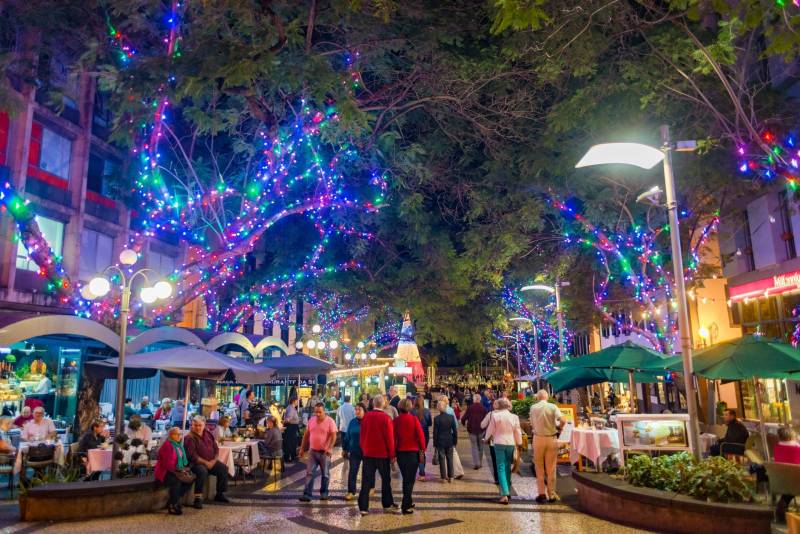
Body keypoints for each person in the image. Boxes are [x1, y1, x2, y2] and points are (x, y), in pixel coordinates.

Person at [358, 394, 398, 515]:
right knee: (386, 480)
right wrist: (392, 456)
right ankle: (387, 504)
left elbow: (362, 435)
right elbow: (389, 439)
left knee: (366, 481)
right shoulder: (386, 418)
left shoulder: (366, 417)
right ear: (383, 404)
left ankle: (363, 507)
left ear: (373, 404)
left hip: (368, 454)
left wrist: (364, 449)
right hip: (382, 455)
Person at [183, 416, 230, 508]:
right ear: (192, 425)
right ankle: (198, 498)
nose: (198, 427)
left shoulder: (208, 434)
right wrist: (206, 463)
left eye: (200, 425)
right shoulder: (189, 437)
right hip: (195, 463)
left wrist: (214, 460)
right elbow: (192, 456)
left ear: (204, 425)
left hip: (210, 461)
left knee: (224, 469)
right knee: (202, 471)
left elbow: (216, 449)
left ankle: (220, 494)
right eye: (195, 425)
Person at [530, 389, 566, 503]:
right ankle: (551, 494)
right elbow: (564, 420)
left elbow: (531, 422)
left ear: (538, 397)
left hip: (538, 438)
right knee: (551, 468)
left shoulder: (533, 408)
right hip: (551, 438)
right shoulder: (553, 407)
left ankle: (541, 493)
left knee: (539, 467)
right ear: (547, 397)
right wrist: (559, 427)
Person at [485, 397, 522, 505]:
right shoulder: (514, 417)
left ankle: (504, 493)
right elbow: (518, 431)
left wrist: (486, 439)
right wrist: (519, 443)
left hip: (499, 442)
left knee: (500, 467)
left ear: (499, 406)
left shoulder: (496, 416)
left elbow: (490, 430)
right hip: (510, 443)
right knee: (507, 467)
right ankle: (507, 489)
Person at [298, 403, 337, 502]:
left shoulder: (330, 421)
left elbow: (334, 436)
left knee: (325, 474)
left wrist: (329, 448)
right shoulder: (311, 421)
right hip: (313, 451)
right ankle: (307, 495)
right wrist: (302, 448)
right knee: (309, 473)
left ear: (324, 411)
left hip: (325, 453)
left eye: (320, 412)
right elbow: (306, 436)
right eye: (316, 412)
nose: (318, 414)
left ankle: (324, 494)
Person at [394, 398, 425, 514]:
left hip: (401, 453)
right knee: (409, 480)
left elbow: (393, 438)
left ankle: (408, 501)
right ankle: (405, 505)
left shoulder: (396, 421)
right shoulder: (414, 419)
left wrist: (393, 453)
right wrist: (422, 449)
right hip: (413, 453)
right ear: (410, 407)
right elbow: (420, 435)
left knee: (406, 478)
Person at [155, 426, 193, 515]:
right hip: (164, 471)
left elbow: (181, 460)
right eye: (177, 434)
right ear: (171, 435)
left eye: (180, 434)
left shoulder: (178, 446)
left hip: (174, 470)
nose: (180, 436)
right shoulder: (168, 445)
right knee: (177, 481)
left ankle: (176, 499)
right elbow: (167, 464)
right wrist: (179, 470)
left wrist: (183, 469)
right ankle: (173, 505)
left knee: (190, 479)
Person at [774, 426, 800, 521]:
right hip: (796, 481)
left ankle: (781, 511)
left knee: (788, 492)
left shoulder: (777, 448)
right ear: (790, 437)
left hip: (782, 482)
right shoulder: (797, 449)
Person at [342, 403, 366, 501]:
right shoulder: (352, 422)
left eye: (359, 409)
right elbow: (347, 436)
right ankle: (351, 491)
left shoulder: (368, 421)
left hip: (366, 451)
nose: (356, 411)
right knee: (353, 471)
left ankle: (367, 489)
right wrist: (345, 448)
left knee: (367, 472)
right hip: (354, 450)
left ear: (364, 410)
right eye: (355, 410)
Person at [433, 399, 457, 483]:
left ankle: (443, 477)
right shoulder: (451, 417)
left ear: (438, 408)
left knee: (442, 459)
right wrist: (455, 441)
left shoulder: (437, 419)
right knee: (450, 458)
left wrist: (435, 443)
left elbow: (435, 432)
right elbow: (454, 430)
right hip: (449, 440)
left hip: (440, 441)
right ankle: (451, 477)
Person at [461, 394, 488, 470]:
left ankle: (476, 463)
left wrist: (463, 424)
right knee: (481, 446)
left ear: (473, 400)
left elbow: (464, 418)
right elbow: (487, 419)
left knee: (474, 446)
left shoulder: (470, 408)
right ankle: (480, 462)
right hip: (481, 430)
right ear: (480, 400)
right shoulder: (483, 408)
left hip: (472, 430)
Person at [412, 395, 432, 481]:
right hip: (425, 435)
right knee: (422, 453)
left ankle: (414, 472)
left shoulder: (411, 411)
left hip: (414, 435)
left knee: (414, 454)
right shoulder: (427, 411)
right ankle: (422, 473)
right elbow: (430, 423)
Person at [283, 397, 300, 463]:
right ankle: (289, 458)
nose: (298, 402)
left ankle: (291, 457)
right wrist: (284, 421)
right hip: (291, 428)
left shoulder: (291, 408)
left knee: (292, 442)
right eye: (297, 401)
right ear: (293, 401)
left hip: (292, 427)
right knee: (290, 443)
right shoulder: (290, 408)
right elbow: (288, 419)